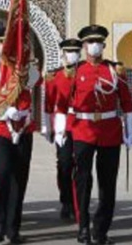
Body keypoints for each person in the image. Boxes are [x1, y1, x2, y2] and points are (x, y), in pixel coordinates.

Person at [55, 24, 132, 245]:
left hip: (109, 129)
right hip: (83, 129)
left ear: (104, 45)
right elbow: (62, 103)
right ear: (84, 46)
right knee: (83, 180)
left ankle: (100, 231)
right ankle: (82, 228)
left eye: (98, 41)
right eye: (90, 42)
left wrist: (130, 130)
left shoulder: (114, 70)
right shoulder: (75, 71)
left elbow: (126, 102)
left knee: (107, 183)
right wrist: (61, 129)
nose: (94, 45)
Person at [0, 28, 38, 244]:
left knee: (19, 179)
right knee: (3, 173)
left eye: (13, 42)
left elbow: (34, 82)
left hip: (23, 128)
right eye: (4, 42)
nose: (9, 46)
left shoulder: (25, 70)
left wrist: (26, 60)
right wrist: (5, 109)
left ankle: (13, 228)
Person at [45, 38, 83, 220]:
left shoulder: (85, 71)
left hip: (83, 123)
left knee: (82, 165)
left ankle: (79, 203)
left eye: (75, 51)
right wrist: (49, 128)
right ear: (63, 54)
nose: (72, 54)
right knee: (65, 163)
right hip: (63, 123)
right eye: (69, 51)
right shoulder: (55, 76)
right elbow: (49, 103)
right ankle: (66, 200)